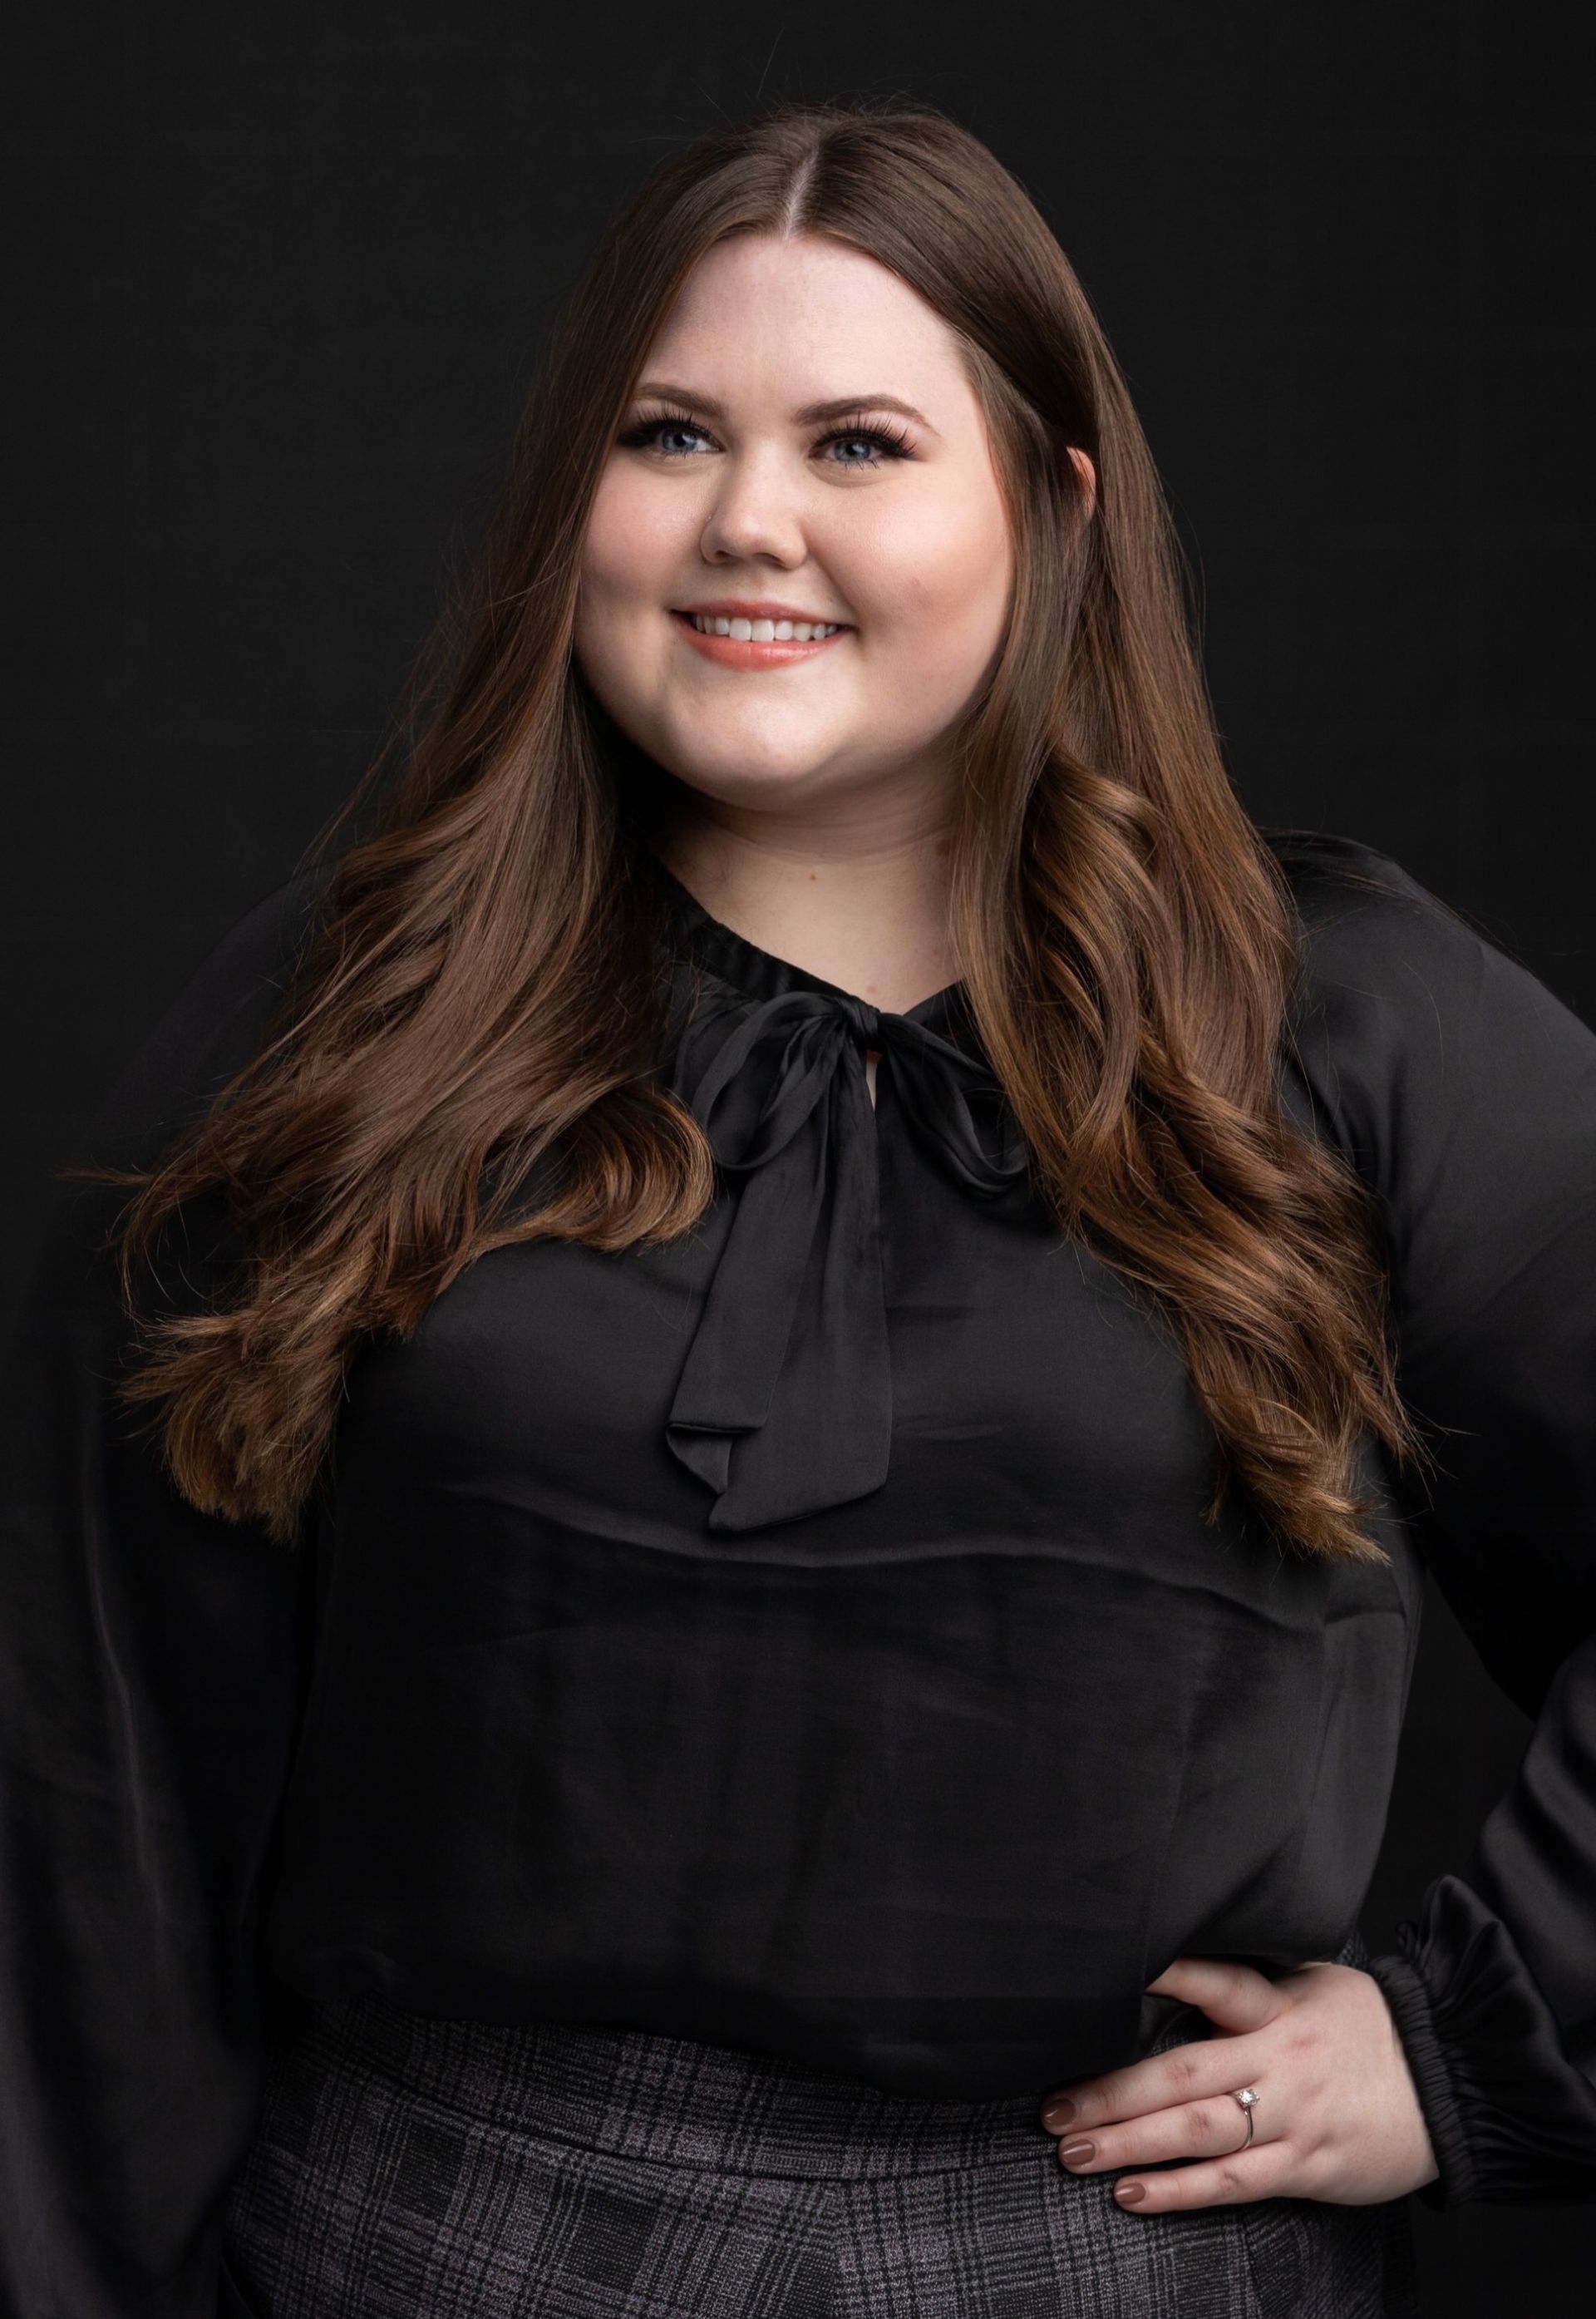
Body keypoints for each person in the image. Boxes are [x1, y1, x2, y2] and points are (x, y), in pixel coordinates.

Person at [3, 95, 1594, 2319]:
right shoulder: (353, 1020)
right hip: (413, 2247)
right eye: (668, 437)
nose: (748, 522)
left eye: (859, 443)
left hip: (1102, 2261)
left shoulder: (1349, 1027)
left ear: (1049, 508)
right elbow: (94, 1784)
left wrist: (1470, 2048)